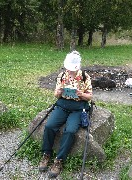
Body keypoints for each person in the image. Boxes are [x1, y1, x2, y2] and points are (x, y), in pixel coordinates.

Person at [39, 50, 93, 178]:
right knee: (49, 126)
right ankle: (46, 153)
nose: (69, 71)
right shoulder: (62, 75)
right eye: (68, 68)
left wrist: (81, 94)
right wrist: (58, 91)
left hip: (78, 108)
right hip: (62, 105)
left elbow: (90, 96)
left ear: (77, 67)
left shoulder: (85, 77)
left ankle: (59, 160)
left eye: (72, 69)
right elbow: (56, 95)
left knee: (70, 131)